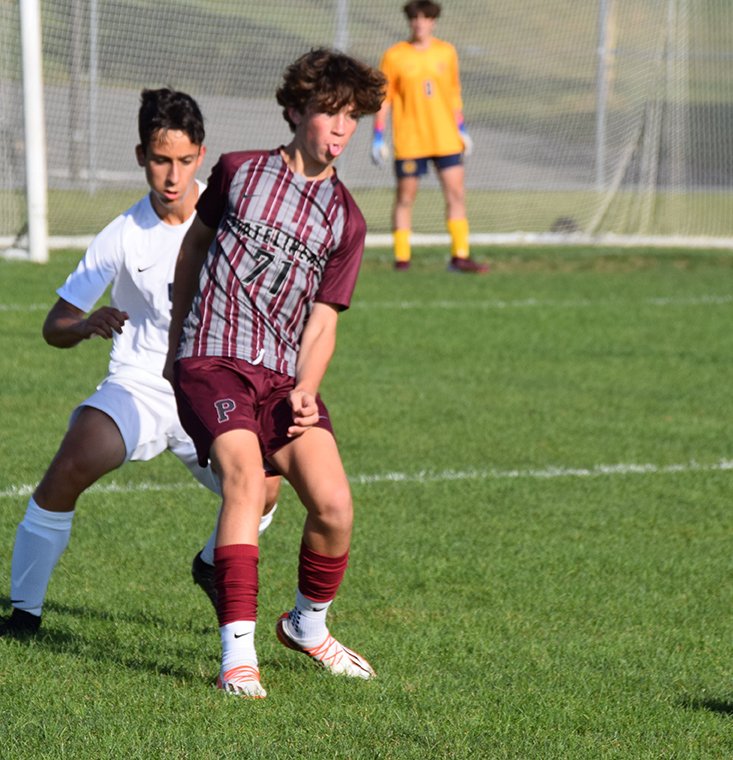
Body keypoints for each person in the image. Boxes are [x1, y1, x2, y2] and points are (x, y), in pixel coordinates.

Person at [0, 89, 280, 639]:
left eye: (184, 160)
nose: (172, 176)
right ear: (140, 156)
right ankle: (24, 617)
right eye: (160, 160)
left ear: (201, 156)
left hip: (212, 383)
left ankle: (209, 563)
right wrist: (84, 324)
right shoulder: (123, 233)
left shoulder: (231, 220)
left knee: (265, 487)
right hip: (141, 383)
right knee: (69, 466)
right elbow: (55, 324)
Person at [164, 48, 387, 698]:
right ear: (295, 110)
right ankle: (238, 658)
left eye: (352, 117)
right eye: (329, 112)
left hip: (281, 380)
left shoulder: (346, 218)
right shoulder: (239, 171)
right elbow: (195, 245)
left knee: (334, 507)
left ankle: (306, 626)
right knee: (245, 480)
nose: (341, 129)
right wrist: (179, 335)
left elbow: (323, 320)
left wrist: (307, 389)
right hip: (213, 358)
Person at [372, 0, 489, 273]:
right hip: (411, 140)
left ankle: (460, 257)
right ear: (409, 21)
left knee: (456, 193)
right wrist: (378, 136)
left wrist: (461, 129)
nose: (420, 23)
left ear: (433, 21)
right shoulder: (395, 55)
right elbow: (384, 98)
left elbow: (453, 93)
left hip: (445, 138)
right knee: (405, 198)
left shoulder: (446, 52)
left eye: (425, 18)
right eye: (415, 18)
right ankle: (402, 260)